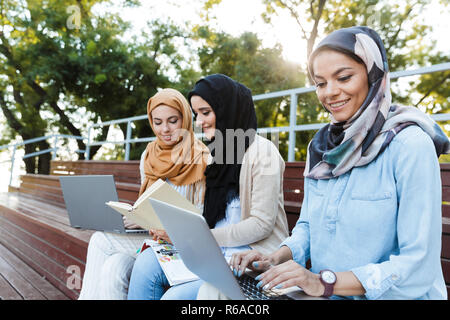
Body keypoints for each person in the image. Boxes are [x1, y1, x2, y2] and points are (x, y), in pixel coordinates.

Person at [206, 26, 450, 300]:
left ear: (373, 75)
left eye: (344, 77)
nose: (329, 93)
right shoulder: (321, 147)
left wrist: (324, 282)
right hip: (323, 293)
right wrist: (274, 257)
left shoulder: (409, 146)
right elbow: (309, 227)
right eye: (320, 83)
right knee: (216, 290)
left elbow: (417, 265)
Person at [127, 74, 289, 300]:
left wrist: (204, 238)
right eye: (196, 114)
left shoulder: (264, 152)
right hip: (212, 255)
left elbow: (261, 224)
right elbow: (203, 213)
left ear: (226, 109)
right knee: (145, 265)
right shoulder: (216, 154)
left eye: (206, 112)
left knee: (173, 298)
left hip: (248, 263)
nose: (199, 121)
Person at [78, 88, 208, 299]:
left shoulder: (201, 158)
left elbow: (201, 217)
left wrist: (154, 221)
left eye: (173, 121)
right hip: (152, 238)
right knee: (114, 267)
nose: (165, 129)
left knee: (100, 241)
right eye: (157, 122)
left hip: (183, 243)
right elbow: (146, 200)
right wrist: (138, 216)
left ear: (185, 118)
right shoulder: (149, 154)